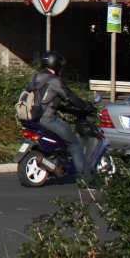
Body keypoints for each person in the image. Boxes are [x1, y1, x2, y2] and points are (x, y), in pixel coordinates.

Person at [30, 51, 93, 180]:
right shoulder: (55, 81)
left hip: (33, 118)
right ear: (57, 65)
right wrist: (87, 106)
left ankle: (57, 162)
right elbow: (70, 97)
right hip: (48, 119)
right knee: (74, 144)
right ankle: (86, 179)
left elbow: (43, 99)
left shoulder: (36, 77)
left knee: (63, 141)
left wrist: (62, 108)